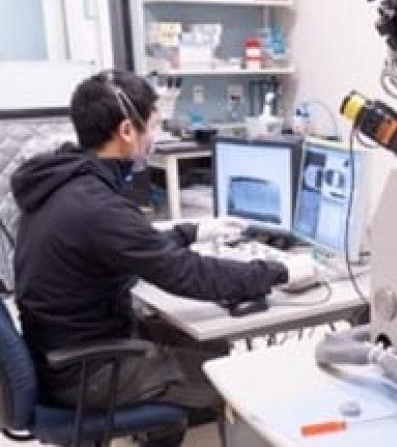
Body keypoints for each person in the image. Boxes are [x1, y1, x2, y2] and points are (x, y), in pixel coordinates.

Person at [10, 69, 311, 443]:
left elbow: (127, 244)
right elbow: (187, 275)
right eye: (153, 127)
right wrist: (281, 272)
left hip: (61, 351)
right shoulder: (96, 206)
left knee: (210, 344)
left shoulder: (66, 184)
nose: (155, 138)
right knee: (233, 373)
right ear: (126, 132)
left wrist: (192, 231)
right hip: (87, 372)